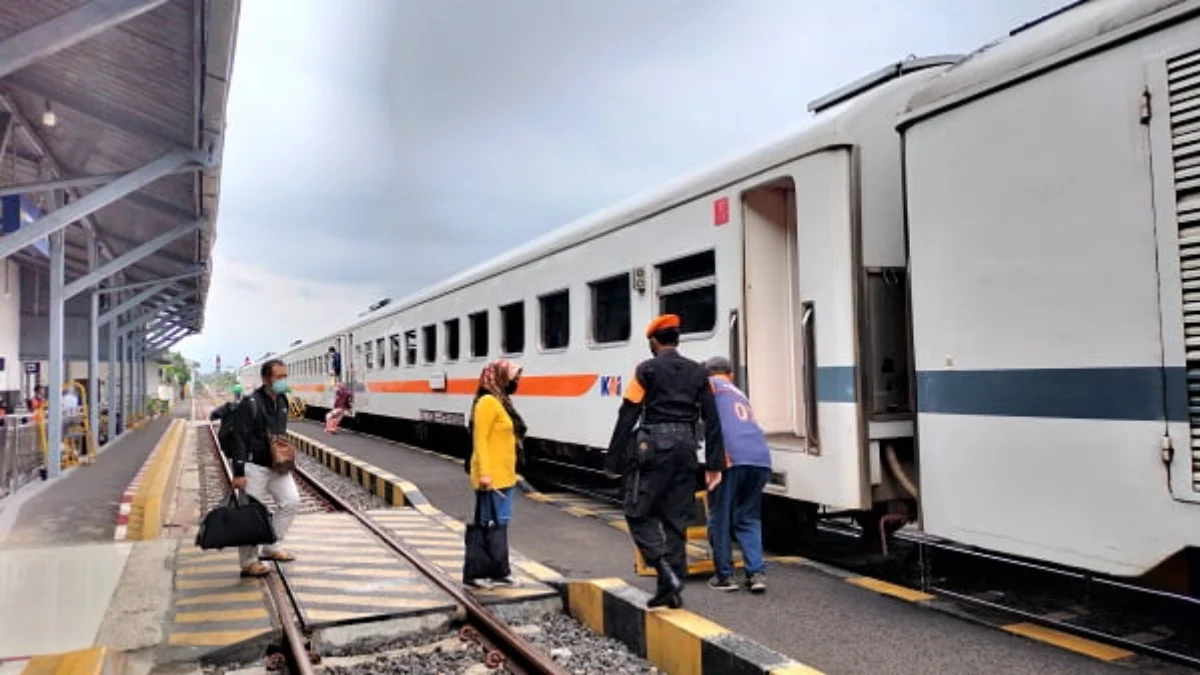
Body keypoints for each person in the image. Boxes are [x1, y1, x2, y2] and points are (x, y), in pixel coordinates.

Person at [604, 314, 725, 609]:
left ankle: (664, 572)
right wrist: (713, 464)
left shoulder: (646, 370)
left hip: (653, 447)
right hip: (687, 448)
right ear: (677, 339)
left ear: (653, 341)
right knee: (676, 519)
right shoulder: (699, 372)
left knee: (636, 511)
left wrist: (613, 460)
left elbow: (629, 412)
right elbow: (712, 419)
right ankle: (669, 589)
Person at [703, 356, 771, 593]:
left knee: (719, 518)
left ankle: (725, 576)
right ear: (730, 374)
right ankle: (756, 574)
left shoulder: (710, 385)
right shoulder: (739, 393)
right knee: (748, 517)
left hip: (731, 458)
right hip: (761, 459)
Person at [228, 359, 300, 578]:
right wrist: (239, 473)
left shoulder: (282, 400)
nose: (283, 381)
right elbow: (238, 439)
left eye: (285, 376)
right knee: (251, 514)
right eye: (279, 377)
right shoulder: (250, 403)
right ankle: (249, 562)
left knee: (291, 501)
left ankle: (271, 544)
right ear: (266, 379)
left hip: (277, 465)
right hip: (254, 467)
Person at [464, 359, 526, 589]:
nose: (517, 381)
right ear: (500, 376)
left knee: (500, 524)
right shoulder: (487, 402)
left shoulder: (502, 401)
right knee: (486, 524)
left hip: (505, 476)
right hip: (490, 478)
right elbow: (480, 440)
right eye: (513, 376)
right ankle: (475, 573)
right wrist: (485, 474)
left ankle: (500, 571)